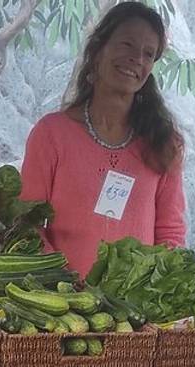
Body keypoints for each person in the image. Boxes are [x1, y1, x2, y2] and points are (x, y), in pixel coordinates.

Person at [20, 2, 186, 276]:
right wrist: (63, 284)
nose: (137, 59)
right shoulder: (51, 134)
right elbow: (27, 223)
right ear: (98, 50)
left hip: (136, 309)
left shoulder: (165, 143)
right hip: (65, 306)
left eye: (148, 54)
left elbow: (170, 232)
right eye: (127, 45)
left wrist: (155, 286)